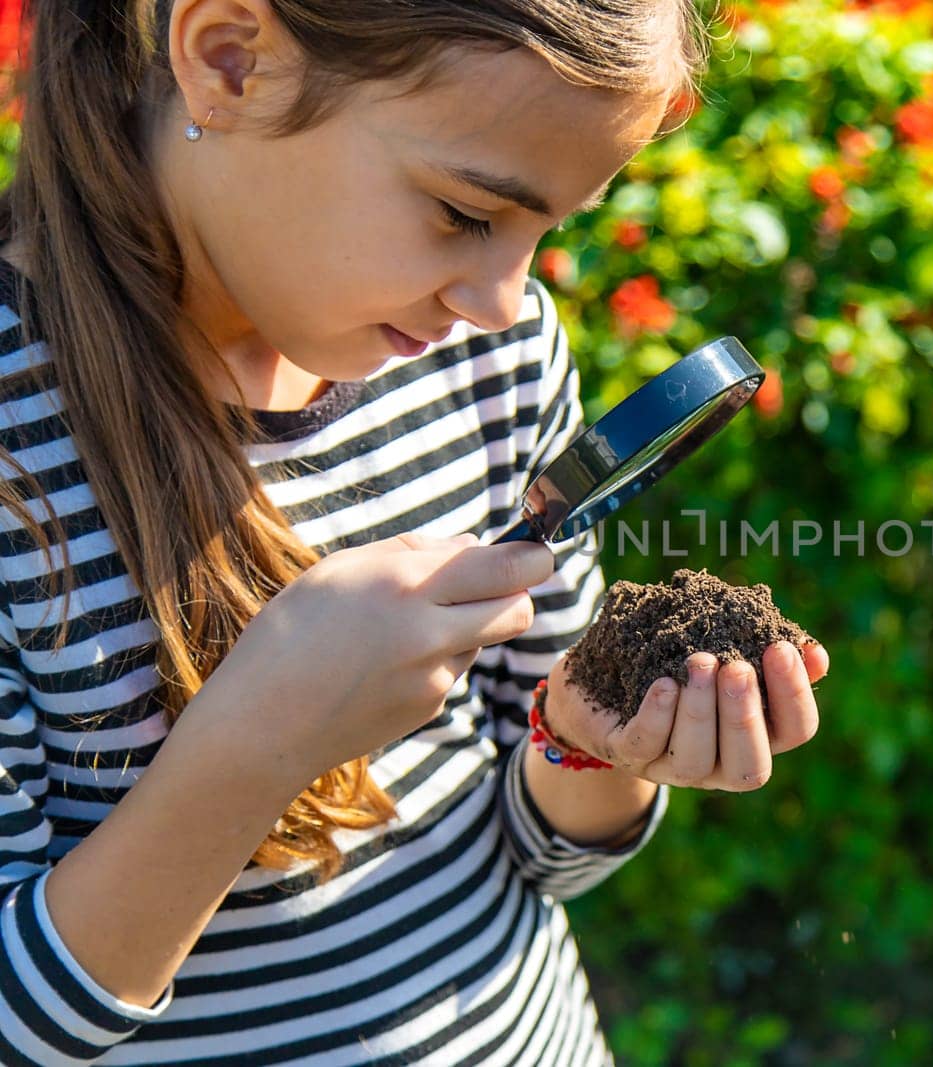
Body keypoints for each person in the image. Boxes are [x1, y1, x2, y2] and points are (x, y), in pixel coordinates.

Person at [0, 1, 829, 1063]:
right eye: (465, 212)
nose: (501, 298)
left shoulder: (487, 358)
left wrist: (589, 735)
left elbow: (541, 851)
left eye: (548, 231)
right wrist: (261, 738)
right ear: (228, 60)